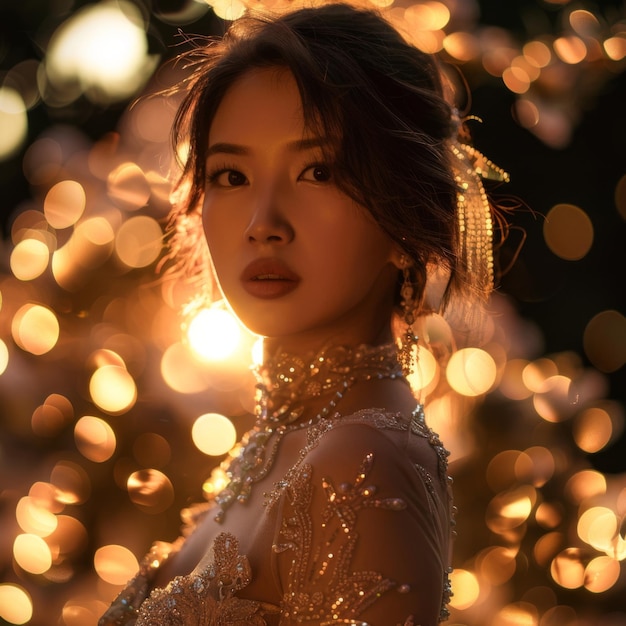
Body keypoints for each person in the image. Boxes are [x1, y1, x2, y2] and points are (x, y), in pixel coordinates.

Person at [99, 3, 509, 625]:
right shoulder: (276, 444)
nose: (264, 224)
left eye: (318, 171)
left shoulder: (362, 457)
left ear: (406, 218)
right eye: (231, 175)